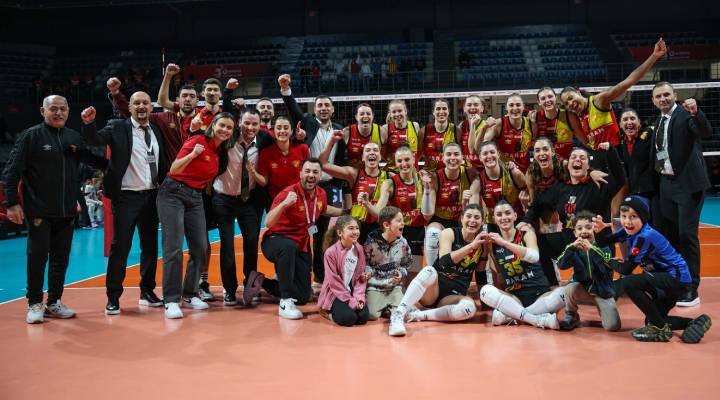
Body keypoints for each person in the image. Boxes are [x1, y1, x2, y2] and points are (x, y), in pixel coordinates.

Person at [3, 95, 103, 323]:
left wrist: (118, 164)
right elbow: (12, 170)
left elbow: (90, 161)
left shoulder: (73, 137)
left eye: (63, 109)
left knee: (61, 259)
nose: (59, 113)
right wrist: (11, 203)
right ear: (42, 111)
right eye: (53, 109)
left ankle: (54, 302)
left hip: (66, 210)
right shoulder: (31, 136)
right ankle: (34, 303)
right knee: (37, 257)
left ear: (68, 111)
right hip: (39, 210)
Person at [80, 92, 168, 315]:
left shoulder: (156, 130)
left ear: (151, 107)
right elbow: (94, 140)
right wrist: (89, 124)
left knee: (150, 247)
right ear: (129, 107)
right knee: (120, 247)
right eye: (136, 103)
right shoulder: (117, 127)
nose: (141, 106)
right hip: (126, 197)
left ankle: (147, 291)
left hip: (152, 196)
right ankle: (113, 297)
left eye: (145, 103)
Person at [593, 196, 712, 343]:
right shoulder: (629, 230)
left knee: (628, 283)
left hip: (676, 279)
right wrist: (599, 231)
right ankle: (692, 323)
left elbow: (626, 269)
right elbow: (604, 241)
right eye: (623, 216)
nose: (627, 221)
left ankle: (661, 329)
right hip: (665, 280)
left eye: (633, 217)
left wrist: (609, 261)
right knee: (652, 320)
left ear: (643, 218)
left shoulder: (645, 236)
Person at [157, 112, 233, 319]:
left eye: (229, 128)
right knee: (173, 248)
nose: (225, 130)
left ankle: (190, 293)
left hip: (195, 197)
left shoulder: (220, 152)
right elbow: (174, 168)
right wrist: (192, 155)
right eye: (222, 125)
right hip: (173, 192)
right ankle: (171, 299)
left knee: (200, 247)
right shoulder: (198, 140)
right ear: (213, 125)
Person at [519, 146, 625, 286]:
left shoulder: (598, 184)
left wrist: (611, 150)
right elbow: (538, 203)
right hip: (570, 242)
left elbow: (619, 179)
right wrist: (526, 221)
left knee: (599, 290)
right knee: (539, 242)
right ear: (568, 165)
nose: (577, 160)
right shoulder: (561, 187)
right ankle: (552, 285)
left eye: (582, 158)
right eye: (573, 157)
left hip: (597, 244)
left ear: (588, 166)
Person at [649, 82, 713, 307]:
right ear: (653, 100)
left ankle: (691, 288)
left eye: (667, 94)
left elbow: (705, 132)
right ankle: (677, 282)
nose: (663, 99)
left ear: (675, 95)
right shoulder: (658, 122)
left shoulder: (685, 116)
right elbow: (659, 154)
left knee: (687, 236)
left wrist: (696, 113)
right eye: (658, 96)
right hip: (666, 184)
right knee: (671, 237)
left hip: (688, 185)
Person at [278, 73, 344, 287]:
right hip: (307, 188)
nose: (323, 108)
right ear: (315, 110)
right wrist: (286, 89)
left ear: (332, 109)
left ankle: (320, 276)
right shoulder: (307, 123)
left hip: (329, 186)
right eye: (320, 105)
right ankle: (299, 275)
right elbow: (293, 109)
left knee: (323, 234)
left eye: (327, 105)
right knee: (304, 231)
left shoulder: (339, 129)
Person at [260, 158, 343, 319]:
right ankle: (285, 302)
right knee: (288, 246)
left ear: (320, 176)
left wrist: (347, 212)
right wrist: (284, 204)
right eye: (307, 171)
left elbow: (323, 209)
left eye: (315, 172)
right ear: (300, 174)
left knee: (303, 296)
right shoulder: (288, 193)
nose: (311, 175)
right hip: (275, 241)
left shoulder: (321, 194)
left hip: (300, 245)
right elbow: (268, 222)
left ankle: (260, 281)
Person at [389, 204, 486, 337]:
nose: (472, 221)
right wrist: (471, 246)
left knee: (469, 308)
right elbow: (444, 261)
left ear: (483, 221)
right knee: (429, 270)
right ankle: (399, 314)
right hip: (433, 290)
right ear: (462, 218)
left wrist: (484, 302)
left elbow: (480, 273)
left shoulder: (483, 245)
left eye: (477, 217)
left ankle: (418, 315)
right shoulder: (449, 233)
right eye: (468, 216)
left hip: (452, 296)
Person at [212, 109, 276, 306]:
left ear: (260, 125)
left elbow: (285, 142)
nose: (250, 127)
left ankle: (250, 285)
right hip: (223, 198)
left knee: (251, 243)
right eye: (246, 123)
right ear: (239, 122)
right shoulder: (228, 138)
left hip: (249, 200)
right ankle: (229, 289)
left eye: (254, 124)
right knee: (227, 245)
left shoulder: (264, 140)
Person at [559, 38, 667, 152]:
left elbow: (629, 81)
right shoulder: (577, 116)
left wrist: (654, 56)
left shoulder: (599, 100)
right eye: (566, 103)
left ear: (578, 92)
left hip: (615, 153)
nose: (570, 103)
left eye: (570, 98)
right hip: (598, 157)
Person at [478, 201, 565, 330]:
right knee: (485, 291)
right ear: (494, 219)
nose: (504, 217)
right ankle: (536, 319)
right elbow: (500, 274)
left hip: (539, 295)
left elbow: (534, 257)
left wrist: (504, 243)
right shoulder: (492, 244)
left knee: (564, 293)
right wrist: (500, 300)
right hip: (515, 297)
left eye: (507, 213)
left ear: (515, 215)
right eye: (499, 214)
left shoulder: (527, 234)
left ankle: (513, 315)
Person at [360, 144, 434, 271]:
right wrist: (367, 204)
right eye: (399, 161)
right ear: (395, 162)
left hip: (417, 232)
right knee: (395, 271)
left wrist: (427, 187)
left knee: (413, 270)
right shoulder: (390, 183)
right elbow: (379, 212)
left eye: (407, 159)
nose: (403, 164)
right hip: (397, 234)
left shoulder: (423, 179)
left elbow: (429, 213)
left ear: (413, 158)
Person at [556, 211, 620, 331]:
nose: (584, 231)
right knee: (569, 288)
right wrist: (571, 249)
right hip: (583, 289)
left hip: (602, 291)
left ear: (594, 230)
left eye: (588, 227)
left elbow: (606, 265)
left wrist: (592, 249)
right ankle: (572, 315)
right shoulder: (573, 248)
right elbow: (561, 265)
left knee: (612, 326)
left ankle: (604, 310)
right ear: (575, 233)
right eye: (579, 228)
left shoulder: (603, 246)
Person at [319, 130, 385, 244]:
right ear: (363, 157)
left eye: (375, 150)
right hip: (357, 227)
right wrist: (331, 141)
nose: (372, 152)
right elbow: (322, 164)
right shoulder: (354, 174)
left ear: (380, 157)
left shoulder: (389, 178)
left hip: (378, 227)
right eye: (368, 150)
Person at [423, 143, 480, 267]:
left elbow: (473, 214)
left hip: (461, 221)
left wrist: (464, 203)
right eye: (448, 154)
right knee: (433, 233)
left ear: (462, 157)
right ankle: (431, 270)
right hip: (439, 220)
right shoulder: (435, 177)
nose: (452, 158)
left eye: (456, 154)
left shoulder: (471, 174)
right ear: (442, 158)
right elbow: (427, 215)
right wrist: (427, 189)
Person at [317, 215, 370, 327]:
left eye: (357, 228)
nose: (355, 232)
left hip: (351, 291)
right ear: (340, 233)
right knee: (349, 318)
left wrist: (359, 298)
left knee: (363, 317)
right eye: (351, 228)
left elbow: (360, 278)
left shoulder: (359, 249)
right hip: (336, 293)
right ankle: (326, 312)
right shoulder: (330, 253)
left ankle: (348, 307)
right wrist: (351, 301)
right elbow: (334, 283)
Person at [363, 206, 413, 320]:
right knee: (372, 315)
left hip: (394, 287)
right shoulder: (371, 242)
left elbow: (406, 264)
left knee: (402, 314)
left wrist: (401, 273)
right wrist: (368, 272)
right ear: (386, 225)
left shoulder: (403, 243)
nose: (403, 223)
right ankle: (385, 307)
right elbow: (365, 263)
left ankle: (389, 307)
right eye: (398, 221)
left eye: (403, 220)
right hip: (375, 286)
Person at [251, 117, 309, 200]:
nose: (282, 131)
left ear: (291, 131)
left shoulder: (303, 149)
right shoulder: (266, 153)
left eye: (286, 128)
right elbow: (264, 182)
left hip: (299, 197)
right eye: (278, 128)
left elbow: (308, 175)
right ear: (273, 132)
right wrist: (252, 172)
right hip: (276, 199)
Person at [476, 94, 532, 173]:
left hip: (525, 170)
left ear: (523, 107)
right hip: (504, 171)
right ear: (506, 108)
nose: (515, 108)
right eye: (511, 105)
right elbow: (479, 146)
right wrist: (484, 128)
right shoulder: (499, 124)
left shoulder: (531, 123)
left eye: (518, 105)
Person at [527, 86, 586, 160]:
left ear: (556, 98)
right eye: (543, 98)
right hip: (545, 162)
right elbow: (530, 144)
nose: (547, 100)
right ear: (539, 102)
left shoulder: (569, 115)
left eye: (550, 96)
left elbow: (583, 140)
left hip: (566, 162)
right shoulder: (534, 117)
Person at [476, 140, 526, 221]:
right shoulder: (478, 180)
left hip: (516, 220)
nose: (489, 156)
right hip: (493, 222)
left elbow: (528, 193)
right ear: (480, 158)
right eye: (485, 154)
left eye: (492, 152)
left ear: (498, 154)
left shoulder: (513, 172)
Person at [616, 108, 653, 198]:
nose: (629, 122)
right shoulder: (621, 143)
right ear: (620, 124)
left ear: (639, 122)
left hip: (653, 191)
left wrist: (661, 159)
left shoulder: (650, 135)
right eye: (625, 119)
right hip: (633, 191)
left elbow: (662, 154)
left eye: (632, 118)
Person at [337, 103, 382, 169]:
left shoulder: (381, 131)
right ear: (356, 117)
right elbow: (339, 156)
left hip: (372, 171)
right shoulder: (347, 132)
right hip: (353, 171)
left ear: (373, 116)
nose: (365, 116)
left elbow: (385, 155)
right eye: (361, 114)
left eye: (368, 114)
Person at [382, 99, 422, 172]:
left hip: (412, 171)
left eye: (400, 111)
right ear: (390, 114)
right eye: (394, 112)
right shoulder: (385, 128)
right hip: (394, 172)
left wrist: (414, 160)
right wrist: (392, 161)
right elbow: (382, 152)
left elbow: (420, 149)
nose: (397, 114)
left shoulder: (415, 126)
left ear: (405, 111)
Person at [420, 99, 458, 170]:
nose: (441, 112)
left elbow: (461, 155)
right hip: (430, 172)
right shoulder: (424, 131)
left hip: (449, 172)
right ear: (433, 112)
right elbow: (418, 155)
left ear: (448, 111)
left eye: (444, 109)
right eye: (438, 109)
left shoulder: (456, 130)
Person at [458, 95, 486, 169]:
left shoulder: (487, 126)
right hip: (466, 169)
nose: (472, 107)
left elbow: (473, 151)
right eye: (469, 105)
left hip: (482, 168)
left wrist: (472, 124)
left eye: (476, 105)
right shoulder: (461, 125)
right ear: (464, 109)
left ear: (482, 108)